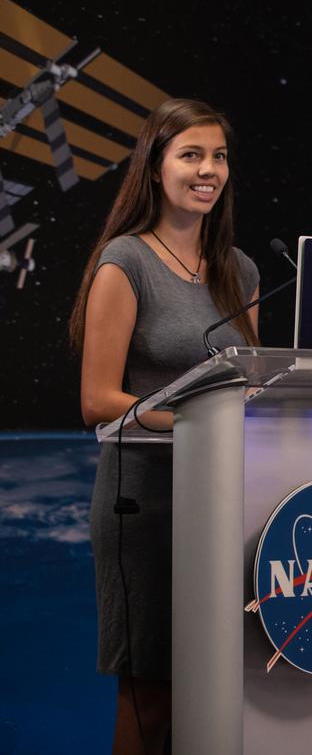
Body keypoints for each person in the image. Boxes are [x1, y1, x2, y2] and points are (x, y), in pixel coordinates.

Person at [69, 99, 260, 755]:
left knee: (219, 684)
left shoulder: (242, 271)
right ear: (154, 167)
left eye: (219, 156)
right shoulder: (126, 261)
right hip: (143, 503)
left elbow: (251, 390)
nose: (209, 169)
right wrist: (199, 420)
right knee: (151, 691)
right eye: (191, 155)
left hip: (224, 504)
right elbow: (97, 398)